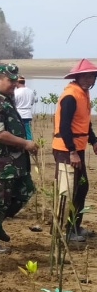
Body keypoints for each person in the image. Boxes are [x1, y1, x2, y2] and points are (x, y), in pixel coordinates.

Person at [0, 63, 38, 254]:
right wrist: (25, 143)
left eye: (15, 80)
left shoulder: (5, 97)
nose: (14, 84)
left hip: (12, 161)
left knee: (24, 191)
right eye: (10, 80)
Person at [52, 59, 97, 241]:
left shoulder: (83, 94)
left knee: (82, 187)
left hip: (78, 149)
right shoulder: (70, 96)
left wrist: (94, 140)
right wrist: (71, 151)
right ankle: (61, 231)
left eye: (92, 76)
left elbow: (86, 122)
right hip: (66, 150)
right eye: (85, 76)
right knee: (67, 191)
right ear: (77, 77)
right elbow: (64, 126)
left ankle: (75, 227)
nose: (89, 80)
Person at [14, 76, 37, 140]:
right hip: (27, 114)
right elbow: (32, 103)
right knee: (27, 132)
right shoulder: (30, 91)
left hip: (18, 114)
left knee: (18, 131)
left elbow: (13, 103)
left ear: (17, 83)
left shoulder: (16, 92)